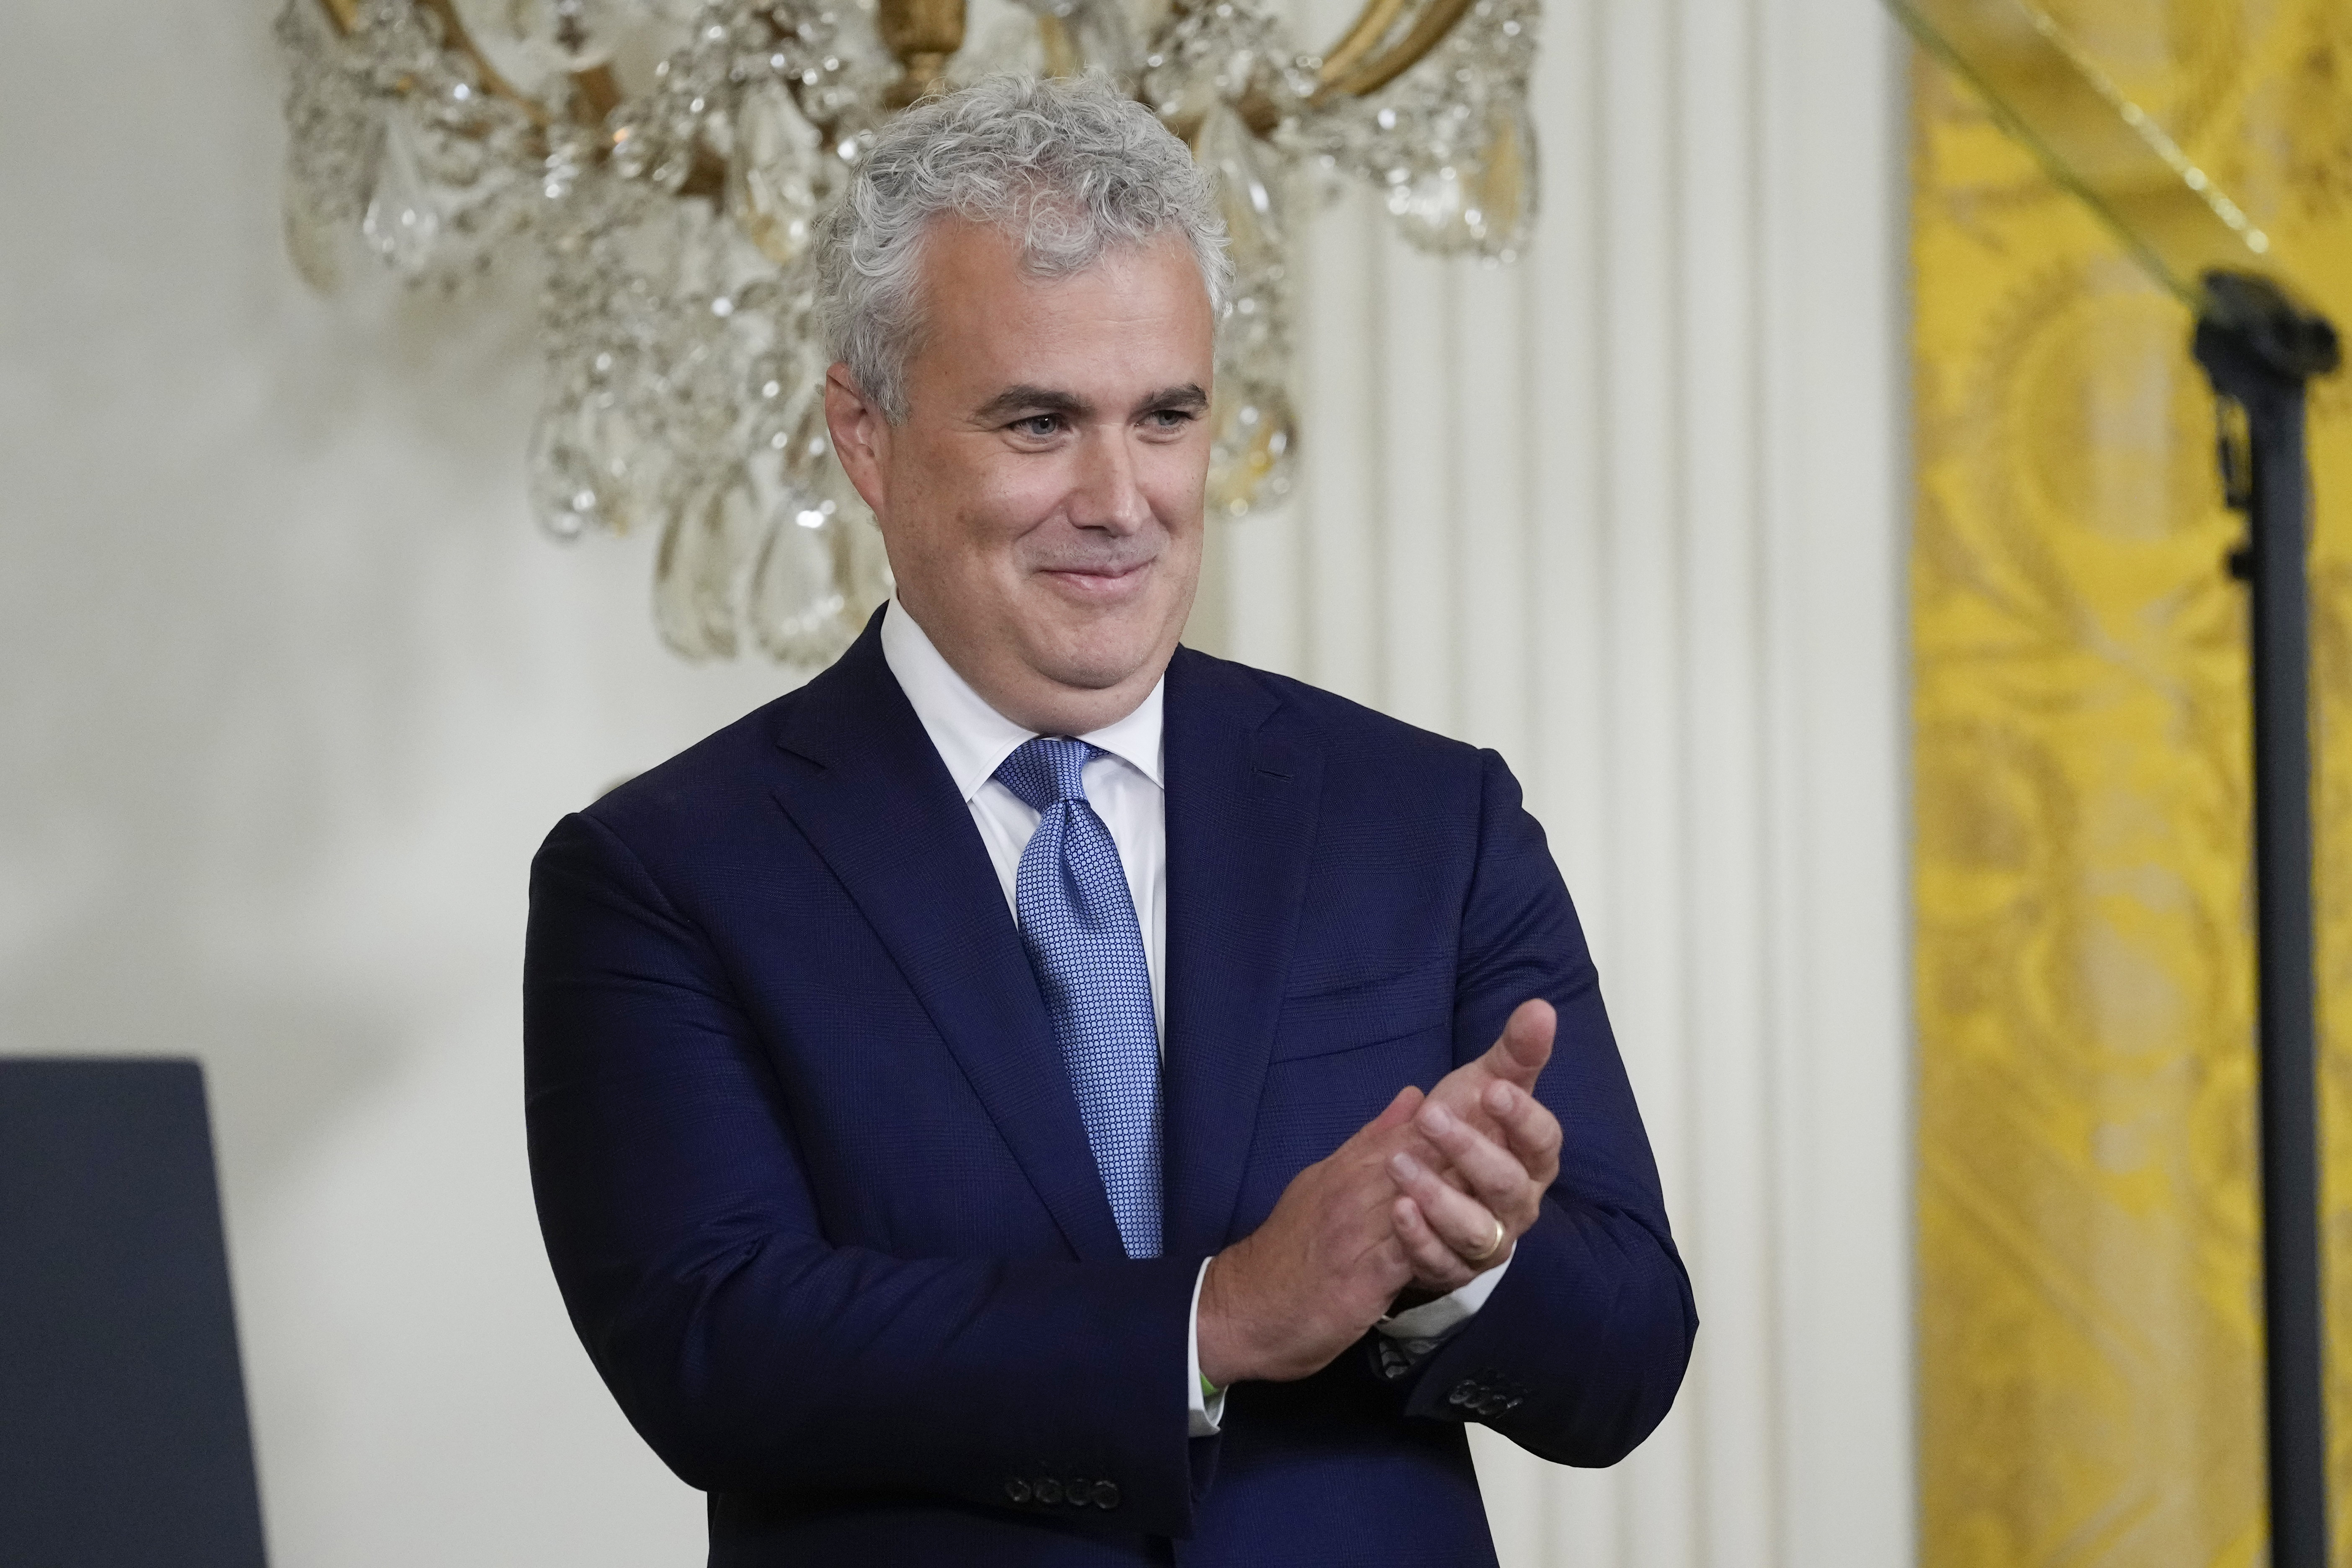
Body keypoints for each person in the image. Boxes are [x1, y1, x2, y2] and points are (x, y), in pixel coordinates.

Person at [524, 72, 1694, 1567]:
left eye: (1167, 416)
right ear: (865, 437)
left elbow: (1631, 1354)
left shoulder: (1428, 818)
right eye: (1037, 422)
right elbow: (715, 1349)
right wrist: (1219, 1316)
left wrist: (1454, 1268)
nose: (1120, 497)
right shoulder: (666, 876)